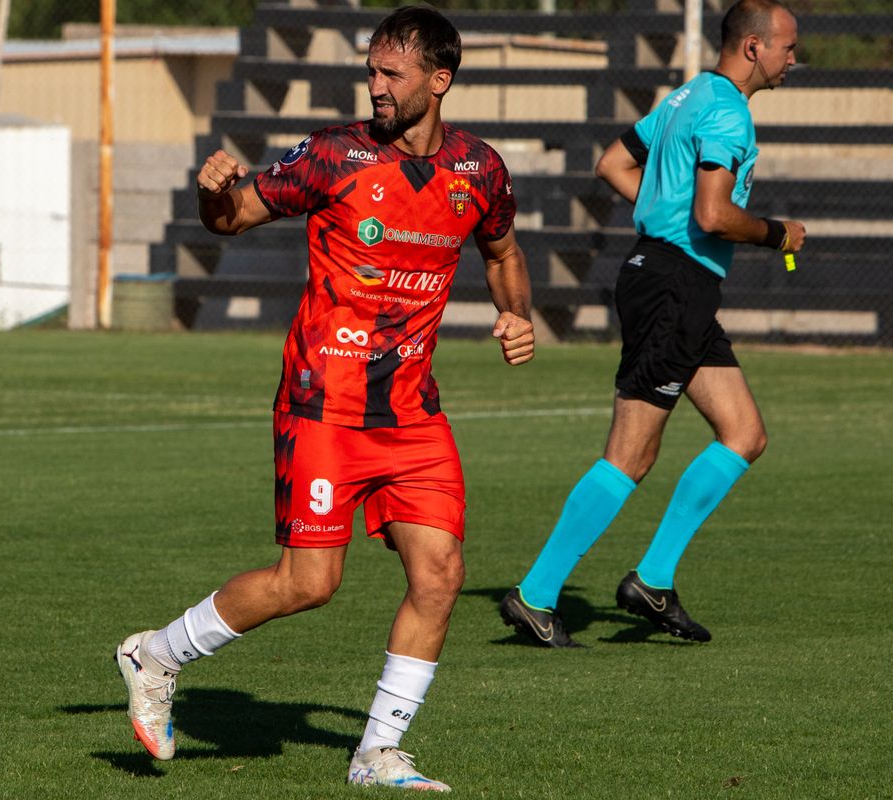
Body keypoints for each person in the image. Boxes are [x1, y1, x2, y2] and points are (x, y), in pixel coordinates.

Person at [116, 5, 534, 791]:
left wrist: (516, 313)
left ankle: (378, 752)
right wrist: (216, 193)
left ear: (439, 81)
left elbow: (503, 249)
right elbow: (234, 217)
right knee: (309, 583)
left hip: (413, 413)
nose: (375, 87)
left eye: (392, 74)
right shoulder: (336, 156)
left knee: (440, 573)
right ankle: (156, 654)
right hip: (324, 406)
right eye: (371, 71)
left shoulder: (480, 170)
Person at [501, 0, 804, 648]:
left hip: (671, 280)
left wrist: (660, 212)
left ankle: (653, 581)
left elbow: (612, 162)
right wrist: (781, 234)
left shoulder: (687, 95)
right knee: (631, 455)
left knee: (745, 433)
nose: (792, 60)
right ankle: (535, 595)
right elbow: (717, 215)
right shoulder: (728, 111)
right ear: (753, 47)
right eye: (787, 47)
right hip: (674, 283)